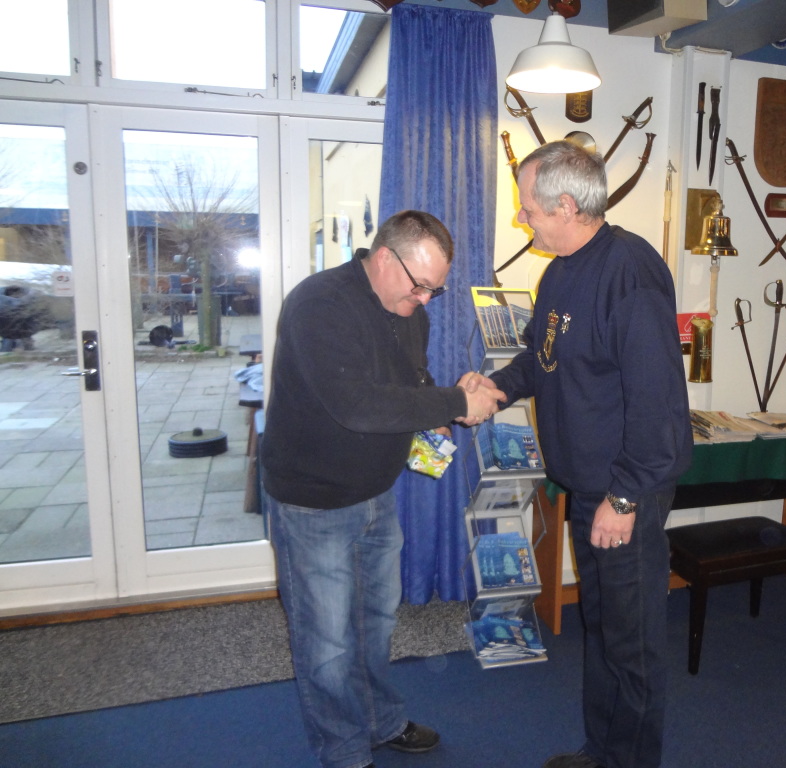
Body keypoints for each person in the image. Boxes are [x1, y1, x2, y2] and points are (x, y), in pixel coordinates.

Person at [260, 209, 506, 768]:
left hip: (376, 494)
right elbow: (357, 405)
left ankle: (378, 722)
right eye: (420, 285)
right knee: (327, 643)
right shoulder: (319, 305)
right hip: (313, 502)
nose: (425, 299)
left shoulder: (410, 311)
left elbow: (408, 386)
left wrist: (445, 405)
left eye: (435, 289)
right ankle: (344, 751)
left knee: (375, 625)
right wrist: (452, 402)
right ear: (384, 257)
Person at [488, 141, 692, 768]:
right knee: (601, 629)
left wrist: (623, 499)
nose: (522, 218)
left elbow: (657, 402)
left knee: (633, 646)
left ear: (566, 207)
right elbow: (541, 358)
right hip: (587, 489)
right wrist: (494, 389)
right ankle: (602, 752)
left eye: (528, 209)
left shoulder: (630, 272)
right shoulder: (558, 272)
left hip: (626, 494)